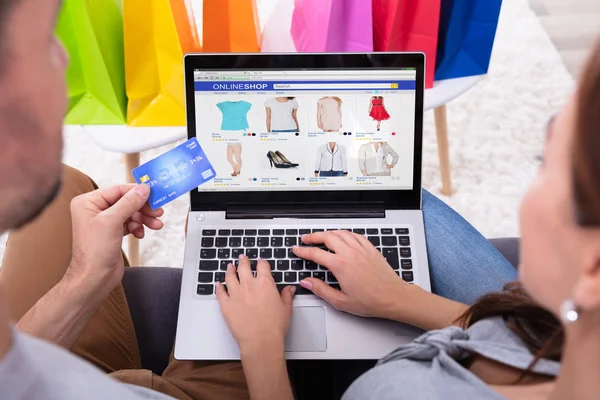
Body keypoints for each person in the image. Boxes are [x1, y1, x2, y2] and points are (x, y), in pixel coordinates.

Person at [215, 40, 600, 399]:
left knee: (376, 195)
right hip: (505, 333)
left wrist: (261, 348)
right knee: (388, 196)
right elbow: (520, 338)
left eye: (545, 166)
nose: (528, 194)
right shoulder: (564, 345)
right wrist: (398, 298)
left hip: (384, 368)